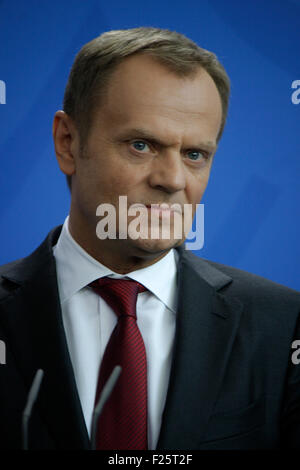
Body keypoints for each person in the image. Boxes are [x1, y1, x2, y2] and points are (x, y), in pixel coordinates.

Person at [0, 27, 300, 450]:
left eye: (195, 154)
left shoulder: (285, 326)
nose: (173, 180)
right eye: (141, 145)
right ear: (67, 142)